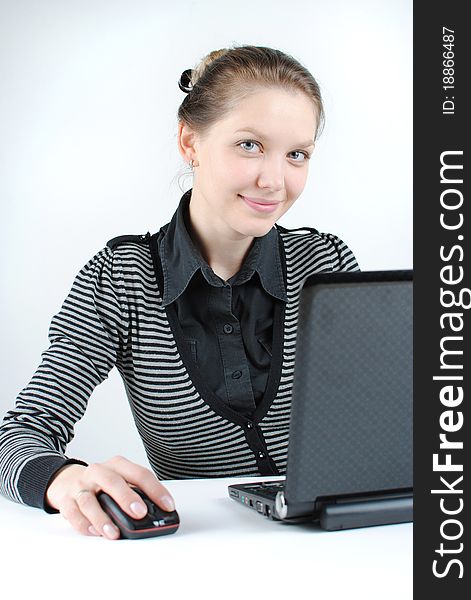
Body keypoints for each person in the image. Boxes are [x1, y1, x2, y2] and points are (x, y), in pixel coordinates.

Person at [0, 45, 359, 540]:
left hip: (343, 551)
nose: (274, 180)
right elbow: (18, 436)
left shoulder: (326, 263)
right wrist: (64, 479)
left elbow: (380, 420)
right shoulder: (120, 278)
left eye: (296, 154)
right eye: (250, 145)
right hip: (194, 558)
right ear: (190, 142)